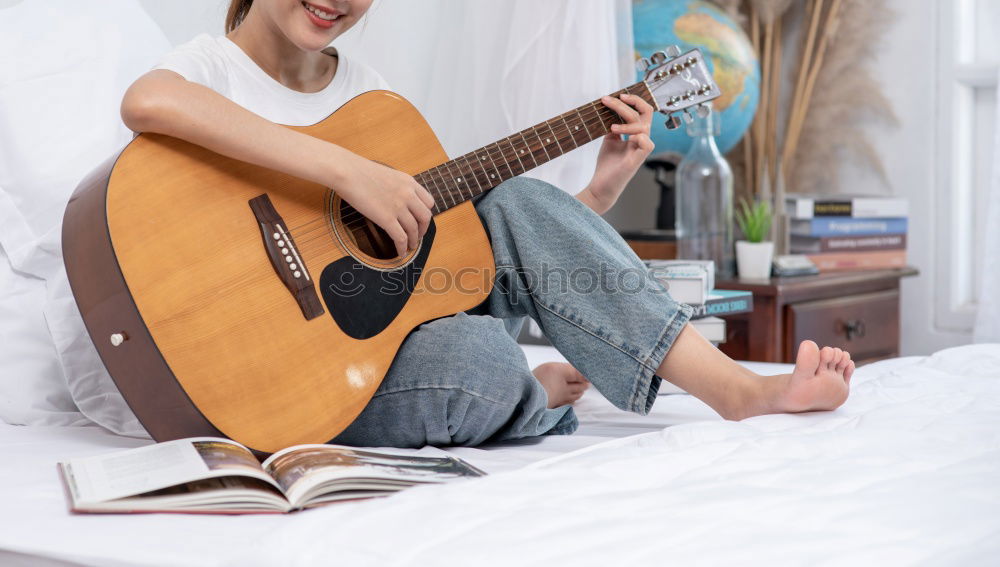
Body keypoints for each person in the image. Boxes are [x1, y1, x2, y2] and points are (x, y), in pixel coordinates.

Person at [120, 0, 855, 448]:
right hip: (286, 377)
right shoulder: (213, 67)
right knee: (489, 369)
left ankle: (735, 391)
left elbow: (445, 266)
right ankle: (530, 396)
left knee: (505, 216)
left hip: (371, 351)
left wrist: (595, 195)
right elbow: (148, 102)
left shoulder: (369, 100)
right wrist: (346, 171)